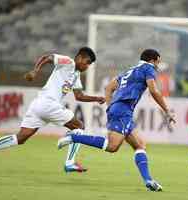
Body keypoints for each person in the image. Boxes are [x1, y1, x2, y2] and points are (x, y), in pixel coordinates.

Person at [57, 49, 176, 191]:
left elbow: (108, 88)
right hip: (123, 110)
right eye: (158, 61)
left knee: (139, 145)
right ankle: (74, 137)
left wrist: (110, 106)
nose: (158, 64)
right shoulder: (148, 68)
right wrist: (167, 110)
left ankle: (148, 180)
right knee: (112, 147)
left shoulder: (130, 70)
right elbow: (153, 90)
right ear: (153, 60)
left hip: (120, 109)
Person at [0, 47, 105, 172]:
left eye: (89, 65)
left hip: (39, 105)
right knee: (79, 127)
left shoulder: (76, 75)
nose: (87, 66)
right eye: (87, 62)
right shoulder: (68, 62)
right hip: (48, 104)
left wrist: (96, 98)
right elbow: (47, 58)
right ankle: (70, 161)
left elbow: (79, 96)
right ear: (79, 57)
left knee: (21, 138)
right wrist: (35, 71)